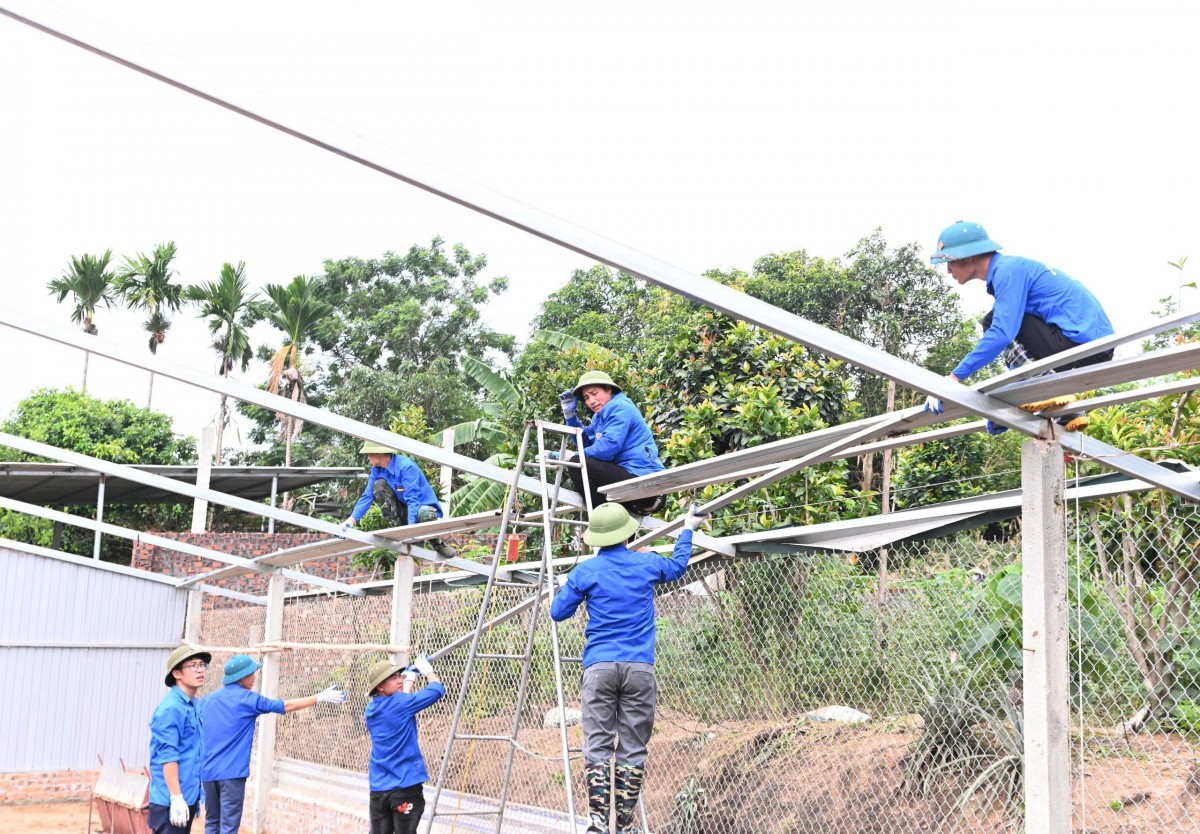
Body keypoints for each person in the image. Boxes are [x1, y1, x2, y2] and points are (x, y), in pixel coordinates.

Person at [549, 503, 703, 834]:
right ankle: (626, 827)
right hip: (638, 669)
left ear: (596, 539)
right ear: (628, 533)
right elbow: (677, 567)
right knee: (633, 747)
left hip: (599, 667)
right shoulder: (646, 563)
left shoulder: (585, 572)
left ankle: (598, 824)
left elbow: (558, 613)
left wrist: (567, 585)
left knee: (598, 745)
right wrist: (688, 526)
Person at [925, 221, 1114, 431]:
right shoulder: (1012, 268)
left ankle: (1041, 386)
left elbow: (1002, 333)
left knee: (995, 321)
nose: (948, 270)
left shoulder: (1008, 271)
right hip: (1091, 347)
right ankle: (1067, 410)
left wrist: (954, 378)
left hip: (1081, 345)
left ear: (969, 256)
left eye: (949, 261)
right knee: (1003, 319)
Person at [198, 654, 348, 834]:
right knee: (229, 826)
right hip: (232, 774)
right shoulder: (248, 699)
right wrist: (319, 697)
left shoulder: (206, 700)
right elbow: (285, 706)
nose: (254, 678)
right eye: (252, 674)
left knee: (212, 822)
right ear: (242, 677)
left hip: (207, 773)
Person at [557, 370, 666, 515]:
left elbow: (608, 447)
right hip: (630, 488)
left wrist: (573, 456)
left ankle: (604, 520)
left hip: (647, 486)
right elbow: (585, 443)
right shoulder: (599, 417)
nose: (591, 401)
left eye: (594, 393)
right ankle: (615, 525)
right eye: (586, 397)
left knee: (577, 464)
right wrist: (570, 417)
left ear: (609, 389)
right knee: (579, 463)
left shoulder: (620, 407)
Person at [365, 654, 445, 834]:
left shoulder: (370, 710)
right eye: (393, 678)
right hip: (405, 785)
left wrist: (409, 679)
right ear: (380, 686)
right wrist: (427, 670)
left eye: (399, 676)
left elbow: (402, 705)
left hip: (379, 789)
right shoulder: (401, 704)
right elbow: (437, 689)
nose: (399, 680)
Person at [342, 441, 457, 557]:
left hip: (419, 509)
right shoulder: (377, 470)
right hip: (404, 508)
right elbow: (367, 496)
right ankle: (397, 528)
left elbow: (413, 500)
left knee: (424, 513)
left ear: (377, 454)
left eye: (369, 454)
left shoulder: (406, 467)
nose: (368, 458)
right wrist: (351, 520)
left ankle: (437, 544)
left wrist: (411, 530)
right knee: (379, 485)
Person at [149, 645, 211, 834]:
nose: (200, 670)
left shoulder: (193, 705)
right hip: (171, 800)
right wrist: (176, 797)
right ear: (177, 673)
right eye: (193, 666)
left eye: (202, 665)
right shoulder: (171, 709)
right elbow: (168, 755)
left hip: (187, 797)